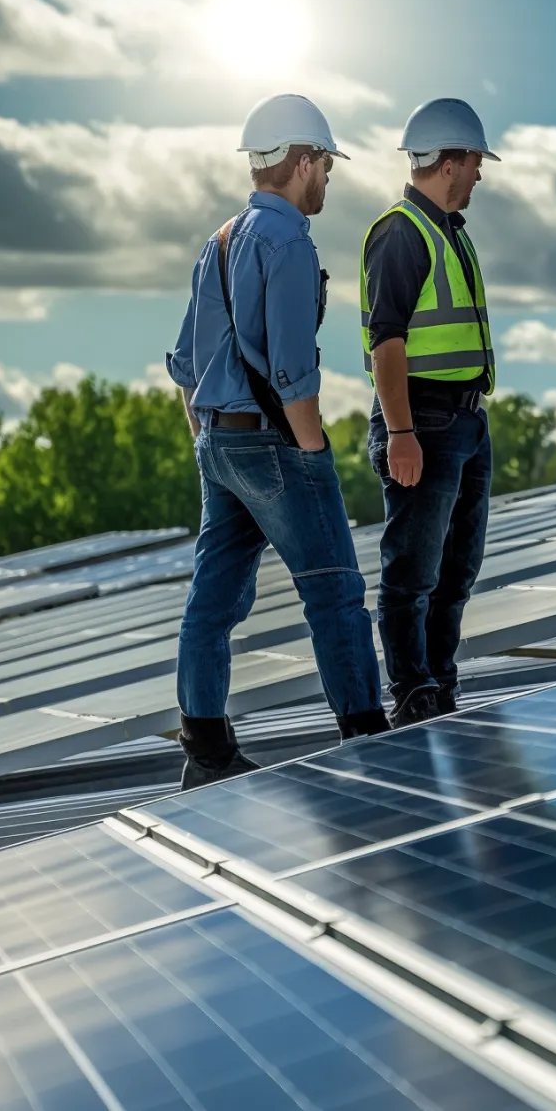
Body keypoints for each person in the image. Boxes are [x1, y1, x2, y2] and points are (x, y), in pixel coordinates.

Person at [167, 93, 389, 789]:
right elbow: (293, 369)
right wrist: (312, 455)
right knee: (335, 592)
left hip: (219, 445)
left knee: (213, 601)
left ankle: (205, 751)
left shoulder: (222, 239)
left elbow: (182, 363)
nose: (327, 178)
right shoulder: (288, 240)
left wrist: (212, 437)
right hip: (274, 445)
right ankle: (371, 741)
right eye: (324, 164)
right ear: (301, 160)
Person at [361, 98, 498, 727]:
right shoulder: (400, 234)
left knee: (456, 569)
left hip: (466, 420)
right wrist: (401, 433)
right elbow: (385, 341)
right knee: (412, 571)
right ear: (452, 160)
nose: (479, 175)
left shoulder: (451, 232)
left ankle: (440, 682)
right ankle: (413, 691)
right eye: (474, 163)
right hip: (424, 422)